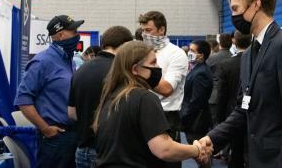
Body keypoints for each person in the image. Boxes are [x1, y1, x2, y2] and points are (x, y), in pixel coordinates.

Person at [199, 0, 282, 168]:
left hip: (281, 161)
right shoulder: (249, 53)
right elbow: (243, 108)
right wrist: (212, 138)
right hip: (254, 158)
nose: (233, 16)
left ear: (256, 4)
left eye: (235, 9)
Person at [92, 41, 211, 167]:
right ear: (135, 69)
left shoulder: (112, 95)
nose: (158, 67)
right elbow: (164, 149)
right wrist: (197, 150)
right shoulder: (144, 98)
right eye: (153, 62)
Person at [14, 15, 84, 168]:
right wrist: (45, 129)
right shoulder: (42, 61)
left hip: (72, 135)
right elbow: (23, 100)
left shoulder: (69, 61)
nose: (77, 35)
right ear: (60, 35)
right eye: (74, 31)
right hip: (55, 138)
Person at [68, 26, 133, 168]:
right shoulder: (122, 72)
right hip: (109, 152)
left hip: (82, 150)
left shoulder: (80, 70)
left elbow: (72, 113)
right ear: (126, 45)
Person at [139, 11, 188, 168]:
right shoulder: (142, 52)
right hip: (141, 114)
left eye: (148, 30)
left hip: (166, 117)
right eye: (142, 30)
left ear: (161, 30)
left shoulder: (176, 54)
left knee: (166, 163)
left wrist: (140, 73)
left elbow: (167, 89)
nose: (144, 34)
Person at [216, 30, 251, 168]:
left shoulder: (226, 65)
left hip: (233, 114)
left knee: (236, 152)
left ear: (234, 41)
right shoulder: (257, 61)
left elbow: (222, 95)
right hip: (253, 114)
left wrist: (220, 119)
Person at [179, 40, 213, 168]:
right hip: (195, 118)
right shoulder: (197, 69)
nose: (189, 53)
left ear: (201, 55)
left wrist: (184, 117)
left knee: (201, 154)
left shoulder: (201, 73)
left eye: (193, 51)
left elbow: (196, 101)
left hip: (196, 120)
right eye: (189, 50)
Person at [206, 33, 232, 126]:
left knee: (215, 125)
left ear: (219, 43)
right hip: (230, 97)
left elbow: (206, 75)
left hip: (214, 97)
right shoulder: (234, 57)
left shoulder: (211, 58)